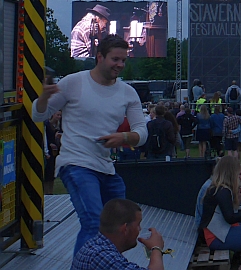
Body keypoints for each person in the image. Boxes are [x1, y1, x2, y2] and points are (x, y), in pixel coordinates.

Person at [32, 35, 148, 255]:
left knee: (119, 226)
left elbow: (142, 133)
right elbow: (39, 116)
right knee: (94, 221)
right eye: (115, 59)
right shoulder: (73, 82)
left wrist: (123, 137)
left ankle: (107, 263)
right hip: (76, 163)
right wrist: (44, 98)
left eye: (124, 60)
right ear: (100, 57)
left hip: (105, 167)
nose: (120, 65)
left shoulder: (128, 93)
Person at [71, 199, 166, 270]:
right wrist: (156, 248)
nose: (140, 229)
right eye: (138, 224)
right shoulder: (102, 256)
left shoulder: (96, 246)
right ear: (125, 228)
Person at [44, 110, 62, 195]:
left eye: (60, 115)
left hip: (56, 151)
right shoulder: (47, 125)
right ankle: (46, 192)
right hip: (49, 151)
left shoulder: (59, 126)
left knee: (52, 173)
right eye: (57, 115)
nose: (59, 117)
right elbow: (45, 138)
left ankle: (50, 191)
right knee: (47, 173)